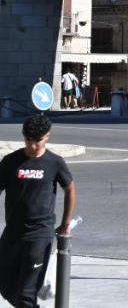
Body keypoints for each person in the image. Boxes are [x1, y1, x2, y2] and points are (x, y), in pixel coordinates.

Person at [0, 115, 75, 308]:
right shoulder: (10, 162)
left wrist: (65, 223)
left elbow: (70, 189)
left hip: (39, 235)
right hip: (12, 233)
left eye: (37, 141)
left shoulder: (55, 162)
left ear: (47, 137)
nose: (32, 146)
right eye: (28, 140)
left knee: (26, 294)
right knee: (5, 285)